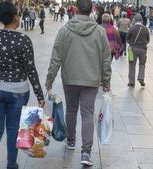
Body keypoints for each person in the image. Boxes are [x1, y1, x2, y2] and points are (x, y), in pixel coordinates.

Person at [45, 0, 111, 166]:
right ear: (92, 10)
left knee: (71, 110)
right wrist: (106, 80)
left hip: (70, 78)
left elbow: (56, 57)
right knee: (88, 113)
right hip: (92, 79)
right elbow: (106, 59)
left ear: (75, 9)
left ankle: (71, 140)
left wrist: (49, 79)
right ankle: (86, 152)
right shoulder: (99, 31)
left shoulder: (65, 30)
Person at [0, 2, 45, 169]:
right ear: (15, 17)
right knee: (13, 129)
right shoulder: (23, 40)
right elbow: (30, 69)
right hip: (17, 90)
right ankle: (11, 164)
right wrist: (39, 95)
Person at [126, 13, 150, 87]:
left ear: (135, 20)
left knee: (132, 65)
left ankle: (131, 82)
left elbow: (127, 39)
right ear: (142, 20)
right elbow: (148, 40)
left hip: (133, 49)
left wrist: (131, 43)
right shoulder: (146, 29)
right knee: (142, 64)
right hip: (143, 49)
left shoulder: (132, 28)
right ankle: (141, 78)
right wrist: (144, 43)